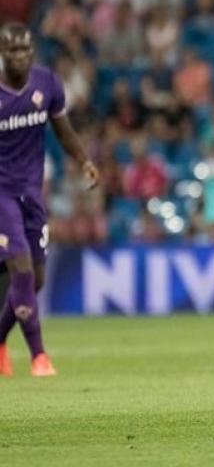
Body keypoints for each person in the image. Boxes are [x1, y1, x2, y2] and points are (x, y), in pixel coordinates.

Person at [0, 23, 98, 377]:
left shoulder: (47, 84)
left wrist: (84, 161)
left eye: (25, 50)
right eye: (12, 51)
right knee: (22, 271)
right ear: (2, 54)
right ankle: (39, 355)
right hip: (1, 195)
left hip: (32, 191)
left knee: (36, 279)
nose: (20, 57)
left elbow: (63, 129)